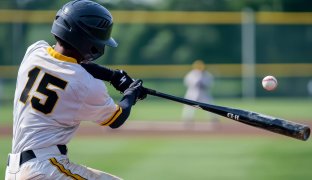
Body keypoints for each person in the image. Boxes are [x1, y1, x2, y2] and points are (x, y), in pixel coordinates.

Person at [5, 1, 146, 179]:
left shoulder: (34, 52)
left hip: (16, 169)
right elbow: (116, 119)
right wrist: (131, 94)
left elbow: (66, 64)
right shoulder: (85, 85)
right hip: (45, 169)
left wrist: (113, 76)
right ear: (88, 42)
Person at [181, 60, 217, 126]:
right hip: (193, 92)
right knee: (189, 106)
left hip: (204, 92)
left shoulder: (207, 74)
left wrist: (202, 83)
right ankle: (188, 120)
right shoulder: (191, 74)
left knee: (210, 105)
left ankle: (214, 119)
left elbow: (210, 84)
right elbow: (187, 83)